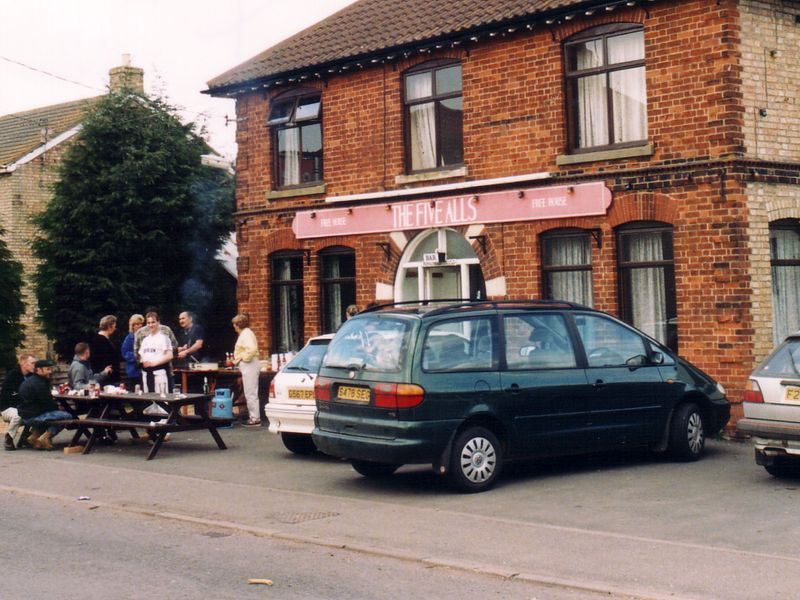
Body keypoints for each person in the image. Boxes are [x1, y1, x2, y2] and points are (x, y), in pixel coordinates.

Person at [17, 359, 73, 451]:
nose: (50, 372)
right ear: (38, 370)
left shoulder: (28, 381)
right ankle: (46, 437)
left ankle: (34, 437)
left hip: (25, 416)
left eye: (50, 369)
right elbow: (47, 403)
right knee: (67, 416)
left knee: (52, 416)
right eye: (47, 369)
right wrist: (58, 407)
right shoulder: (41, 383)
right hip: (34, 416)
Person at [134, 308, 178, 389]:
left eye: (153, 322)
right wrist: (143, 362)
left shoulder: (164, 338)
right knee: (149, 400)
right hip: (147, 374)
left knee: (162, 400)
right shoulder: (145, 340)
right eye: (148, 323)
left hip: (160, 374)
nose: (151, 325)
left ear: (158, 322)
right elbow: (140, 355)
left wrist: (154, 363)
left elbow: (169, 356)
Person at [1, 353, 35, 451]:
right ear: (24, 363)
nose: (34, 366)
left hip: (22, 406)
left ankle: (26, 437)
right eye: (32, 363)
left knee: (40, 411)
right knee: (19, 414)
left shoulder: (31, 376)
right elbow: (10, 397)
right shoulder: (13, 376)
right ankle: (9, 438)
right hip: (7, 408)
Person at [232, 313, 261, 427]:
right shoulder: (245, 334)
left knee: (251, 392)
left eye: (234, 324)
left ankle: (255, 419)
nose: (234, 327)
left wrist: (242, 358)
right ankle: (254, 417)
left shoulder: (246, 334)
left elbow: (252, 349)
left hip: (250, 364)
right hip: (248, 364)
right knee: (250, 391)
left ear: (238, 324)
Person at [90, 315, 120, 385]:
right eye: (114, 326)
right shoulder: (99, 340)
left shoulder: (106, 339)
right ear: (109, 326)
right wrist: (104, 372)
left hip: (109, 377)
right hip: (104, 379)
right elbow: (97, 360)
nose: (115, 328)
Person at [121, 314, 144, 388]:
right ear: (133, 326)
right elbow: (125, 353)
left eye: (141, 324)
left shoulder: (146, 336)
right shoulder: (129, 338)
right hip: (134, 370)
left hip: (145, 369)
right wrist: (138, 356)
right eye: (137, 324)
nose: (139, 326)